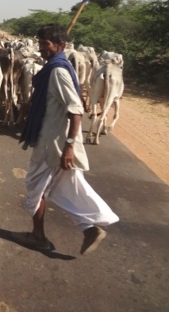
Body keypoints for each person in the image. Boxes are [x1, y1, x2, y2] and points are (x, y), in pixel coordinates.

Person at [13, 24, 119, 255]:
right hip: (51, 140)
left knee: (34, 190)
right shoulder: (54, 67)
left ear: (60, 45)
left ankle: (39, 237)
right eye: (40, 43)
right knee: (64, 188)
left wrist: (69, 147)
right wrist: (30, 107)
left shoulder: (58, 71)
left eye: (46, 44)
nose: (41, 48)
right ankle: (89, 229)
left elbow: (76, 110)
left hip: (53, 144)